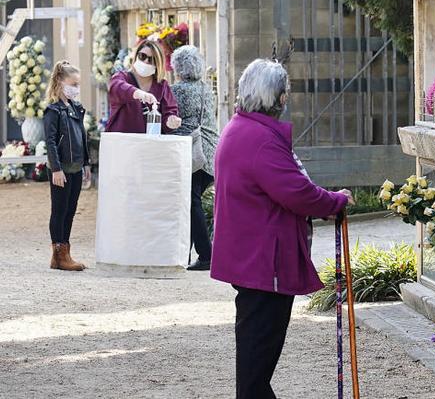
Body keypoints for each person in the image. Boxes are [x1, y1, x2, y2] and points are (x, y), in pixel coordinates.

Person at [210, 59, 355, 398]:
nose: (286, 100)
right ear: (275, 98)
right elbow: (296, 192)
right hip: (264, 262)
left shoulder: (242, 128)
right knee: (256, 370)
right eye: (284, 93)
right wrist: (335, 201)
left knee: (254, 363)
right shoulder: (259, 138)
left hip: (252, 257)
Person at [170, 46, 218, 271]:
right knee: (192, 200)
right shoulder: (206, 89)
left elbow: (171, 119)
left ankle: (205, 254)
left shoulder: (177, 90)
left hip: (192, 151)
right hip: (210, 150)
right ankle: (186, 252)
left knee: (191, 202)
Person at [43, 61, 90, 271]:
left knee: (70, 211)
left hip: (76, 168)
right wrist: (56, 168)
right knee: (59, 210)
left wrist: (86, 163)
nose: (76, 88)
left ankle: (64, 253)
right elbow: (50, 142)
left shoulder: (76, 108)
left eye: (78, 84)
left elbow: (82, 137)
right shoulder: (53, 110)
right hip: (61, 170)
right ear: (61, 83)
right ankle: (59, 253)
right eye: (73, 83)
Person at [106, 39, 182, 133]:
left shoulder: (162, 86)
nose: (146, 61)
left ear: (158, 63)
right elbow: (116, 87)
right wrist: (139, 93)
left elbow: (169, 112)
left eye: (152, 59)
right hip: (122, 143)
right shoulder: (122, 77)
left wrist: (171, 121)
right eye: (142, 56)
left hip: (148, 144)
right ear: (136, 56)